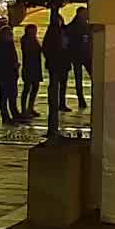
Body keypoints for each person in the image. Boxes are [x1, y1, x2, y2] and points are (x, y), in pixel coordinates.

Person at [44, 9, 72, 137]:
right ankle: (57, 105)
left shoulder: (64, 31)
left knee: (63, 84)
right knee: (55, 85)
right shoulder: (52, 34)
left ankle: (62, 103)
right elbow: (47, 48)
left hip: (63, 62)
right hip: (56, 63)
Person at [0, 25, 21, 124]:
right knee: (4, 95)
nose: (10, 36)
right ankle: (5, 115)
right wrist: (12, 65)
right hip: (3, 74)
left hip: (12, 73)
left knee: (12, 94)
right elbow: (1, 61)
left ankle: (14, 112)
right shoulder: (0, 46)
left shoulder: (9, 44)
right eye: (8, 34)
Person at [69, 6, 93, 110]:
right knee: (79, 77)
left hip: (84, 54)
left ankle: (82, 99)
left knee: (83, 77)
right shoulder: (76, 26)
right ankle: (81, 99)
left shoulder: (85, 25)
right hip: (79, 55)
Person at [19, 24, 44, 119]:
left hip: (35, 66)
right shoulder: (26, 40)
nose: (34, 32)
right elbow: (29, 51)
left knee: (35, 87)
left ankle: (30, 107)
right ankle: (24, 109)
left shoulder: (34, 39)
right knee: (27, 89)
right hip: (29, 67)